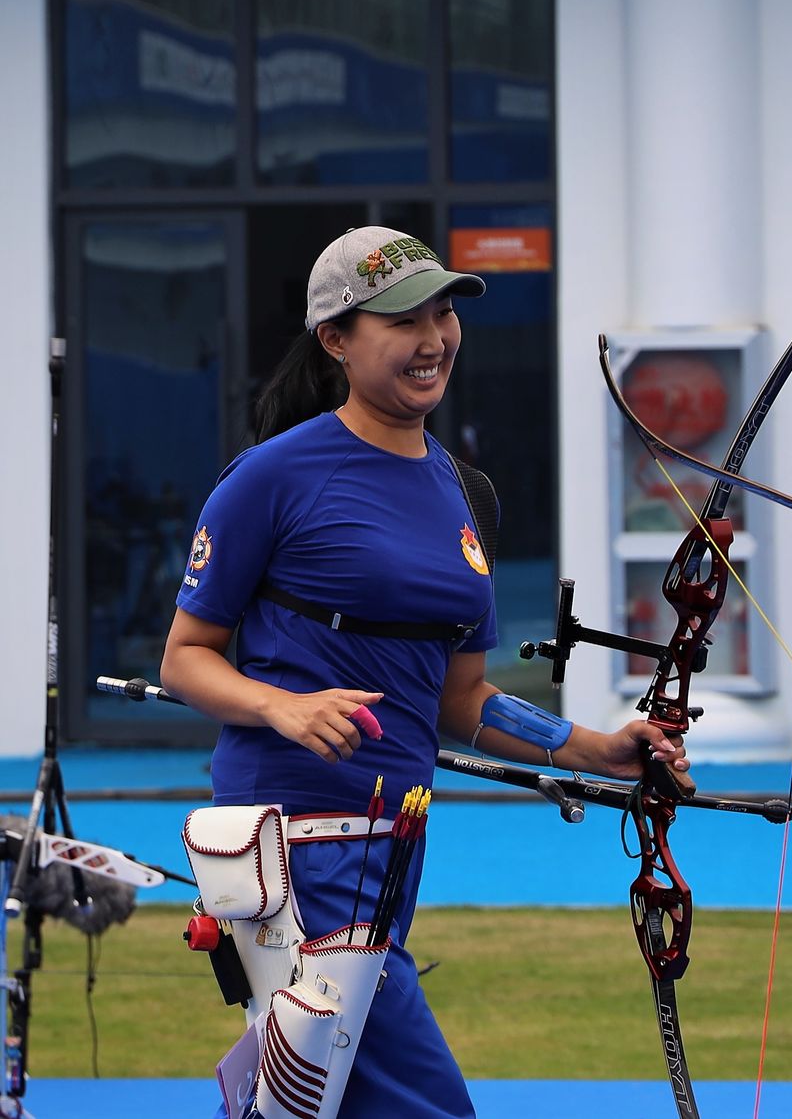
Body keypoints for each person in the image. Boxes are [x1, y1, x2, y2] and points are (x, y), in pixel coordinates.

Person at [161, 225, 686, 1118]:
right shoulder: (273, 477)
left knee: (301, 1102)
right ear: (336, 340)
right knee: (411, 1104)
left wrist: (599, 747)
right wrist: (283, 706)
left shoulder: (458, 489)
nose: (433, 336)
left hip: (389, 854)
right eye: (403, 318)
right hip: (297, 848)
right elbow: (185, 658)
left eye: (444, 311)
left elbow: (463, 698)